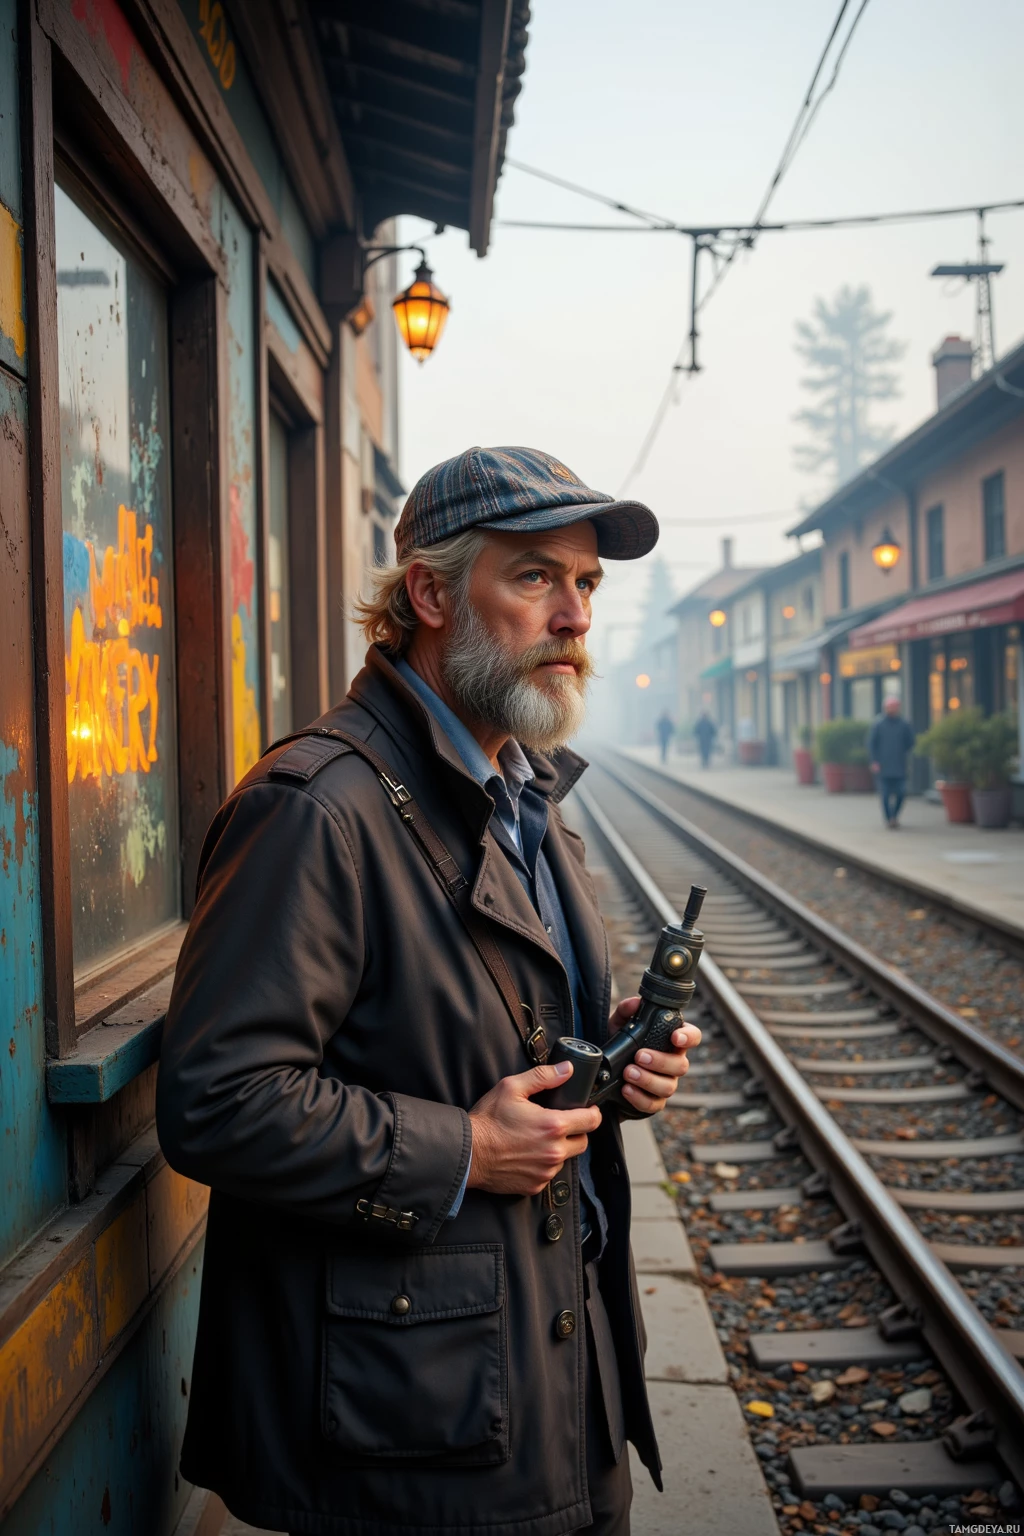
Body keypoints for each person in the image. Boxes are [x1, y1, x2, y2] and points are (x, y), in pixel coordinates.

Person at [156, 446, 702, 1536]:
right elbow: (217, 1099)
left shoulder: (521, 791)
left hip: (554, 1367)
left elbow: (473, 1020)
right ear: (432, 593)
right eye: (538, 576)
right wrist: (464, 1149)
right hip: (414, 1422)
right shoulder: (317, 808)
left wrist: (610, 1053)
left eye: (587, 584)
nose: (576, 617)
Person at [868, 693, 916, 828]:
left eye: (894, 706)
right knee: (885, 795)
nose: (892, 709)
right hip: (883, 767)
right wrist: (874, 761)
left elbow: (910, 742)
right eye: (889, 707)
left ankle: (895, 815)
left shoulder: (904, 725)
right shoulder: (878, 724)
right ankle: (889, 819)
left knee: (901, 793)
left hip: (899, 766)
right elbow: (872, 744)